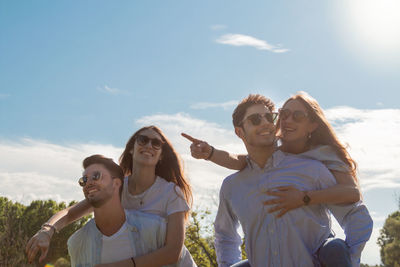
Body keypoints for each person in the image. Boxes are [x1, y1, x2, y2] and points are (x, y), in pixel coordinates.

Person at [183, 93, 372, 267]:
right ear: (240, 132)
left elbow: (353, 211)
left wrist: (348, 257)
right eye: (255, 119)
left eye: (270, 117)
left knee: (336, 246)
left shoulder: (313, 168)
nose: (266, 123)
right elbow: (225, 235)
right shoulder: (232, 186)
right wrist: (211, 153)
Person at [26, 126, 196, 266]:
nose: (149, 145)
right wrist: (46, 231)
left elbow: (173, 252)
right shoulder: (117, 186)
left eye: (156, 143)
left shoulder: (171, 193)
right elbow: (71, 213)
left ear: (161, 155)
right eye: (143, 140)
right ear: (131, 148)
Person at [67, 154, 168, 267]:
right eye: (84, 180)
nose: (88, 183)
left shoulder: (156, 229)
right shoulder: (77, 242)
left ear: (116, 183)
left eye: (96, 176)